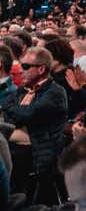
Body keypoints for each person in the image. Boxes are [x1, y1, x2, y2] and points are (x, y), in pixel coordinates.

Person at [8, 42, 70, 200]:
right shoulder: (22, 90)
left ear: (41, 69)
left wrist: (15, 111)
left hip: (40, 156)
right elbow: (10, 114)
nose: (21, 70)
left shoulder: (56, 92)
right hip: (18, 151)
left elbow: (29, 113)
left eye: (26, 66)